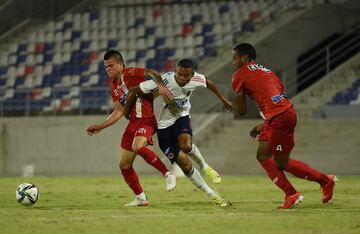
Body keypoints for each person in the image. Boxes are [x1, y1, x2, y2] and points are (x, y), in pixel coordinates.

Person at [231, 43, 338, 209]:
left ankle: (323, 182)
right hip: (281, 114)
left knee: (281, 163)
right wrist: (266, 121)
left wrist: (236, 97)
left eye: (235, 58)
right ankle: (292, 194)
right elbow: (278, 94)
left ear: (244, 58)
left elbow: (242, 111)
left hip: (280, 118)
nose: (233, 62)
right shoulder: (267, 71)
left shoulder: (239, 75)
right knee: (262, 155)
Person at [124, 59, 233, 206]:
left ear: (192, 74)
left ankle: (205, 166)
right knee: (186, 166)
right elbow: (134, 90)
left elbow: (208, 83)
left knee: (186, 146)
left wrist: (224, 100)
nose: (182, 78)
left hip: (181, 117)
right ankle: (212, 194)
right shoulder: (163, 81)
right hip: (163, 127)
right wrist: (126, 111)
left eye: (186, 76)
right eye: (180, 74)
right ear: (176, 71)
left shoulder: (196, 79)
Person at [86, 49, 176, 207]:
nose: (108, 69)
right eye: (106, 67)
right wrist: (101, 126)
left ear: (120, 65)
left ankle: (168, 173)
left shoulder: (131, 73)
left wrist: (160, 87)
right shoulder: (113, 85)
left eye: (111, 66)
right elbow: (119, 111)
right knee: (124, 165)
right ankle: (141, 198)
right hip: (133, 123)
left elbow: (151, 72)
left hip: (147, 120)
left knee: (137, 146)